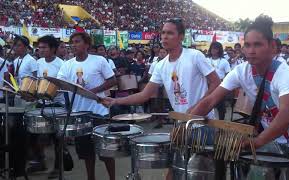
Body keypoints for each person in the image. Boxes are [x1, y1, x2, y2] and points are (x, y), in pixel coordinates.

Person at [189, 15, 289, 180]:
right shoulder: (241, 71)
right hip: (268, 141)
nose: (251, 50)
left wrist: (256, 142)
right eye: (247, 45)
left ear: (272, 46)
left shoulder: (285, 74)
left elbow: (287, 115)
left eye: (258, 44)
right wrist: (187, 122)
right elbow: (211, 100)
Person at [100, 18, 221, 180]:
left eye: (170, 33)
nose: (164, 37)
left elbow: (216, 82)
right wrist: (116, 101)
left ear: (181, 37)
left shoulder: (195, 56)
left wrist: (199, 107)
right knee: (174, 172)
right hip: (181, 126)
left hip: (204, 124)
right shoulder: (160, 65)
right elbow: (145, 95)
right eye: (163, 33)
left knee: (201, 174)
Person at [57, 32, 117, 180]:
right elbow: (60, 83)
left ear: (87, 44)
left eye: (77, 41)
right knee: (86, 153)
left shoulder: (99, 60)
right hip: (79, 114)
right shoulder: (67, 65)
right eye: (72, 42)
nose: (74, 45)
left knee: (105, 152)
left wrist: (93, 91)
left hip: (99, 112)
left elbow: (113, 80)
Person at [32, 35, 65, 178]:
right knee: (38, 135)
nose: (41, 50)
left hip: (57, 104)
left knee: (56, 138)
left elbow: (64, 85)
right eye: (40, 47)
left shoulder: (62, 64)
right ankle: (42, 162)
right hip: (41, 103)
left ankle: (57, 167)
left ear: (53, 49)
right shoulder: (38, 62)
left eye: (44, 47)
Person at [207, 41, 231, 120]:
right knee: (207, 104)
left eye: (215, 48)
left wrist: (224, 83)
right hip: (208, 84)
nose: (213, 50)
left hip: (220, 85)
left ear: (219, 50)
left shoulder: (224, 61)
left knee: (221, 107)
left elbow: (228, 74)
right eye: (212, 48)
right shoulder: (206, 60)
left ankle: (221, 124)